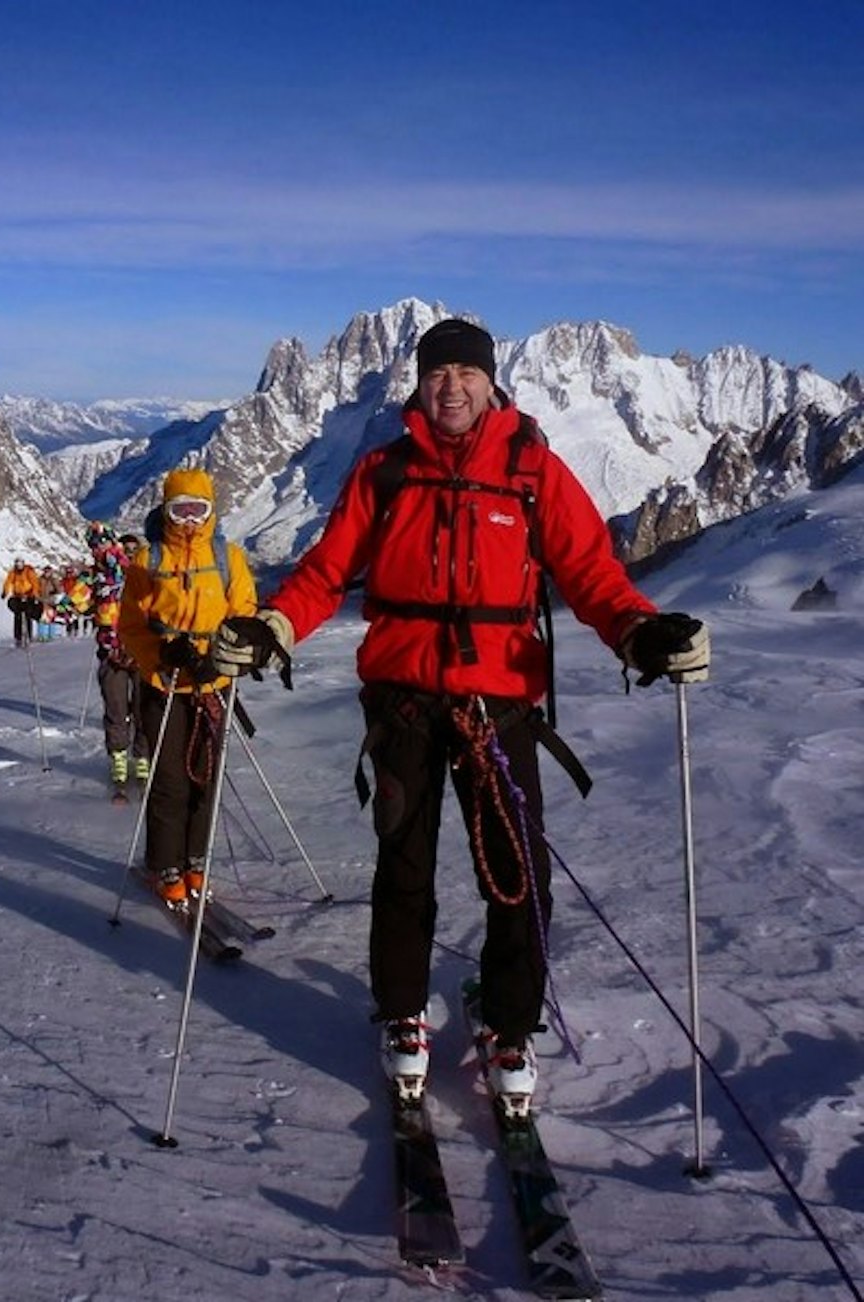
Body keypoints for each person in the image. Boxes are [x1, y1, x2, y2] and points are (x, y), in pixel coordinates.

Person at [213, 317, 710, 1109]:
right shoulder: (385, 471)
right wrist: (272, 626)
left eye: (465, 373)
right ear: (418, 383)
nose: (451, 386)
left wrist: (638, 632)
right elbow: (326, 569)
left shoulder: (532, 472)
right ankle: (403, 1013)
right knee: (404, 863)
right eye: (436, 372)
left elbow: (589, 571)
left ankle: (511, 1024)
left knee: (517, 873)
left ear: (490, 382)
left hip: (501, 700)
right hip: (404, 698)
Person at [119, 468, 257, 910]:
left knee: (206, 778)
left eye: (200, 510)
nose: (191, 520)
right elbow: (131, 626)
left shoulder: (228, 557)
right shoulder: (149, 560)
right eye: (182, 510)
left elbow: (244, 612)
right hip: (166, 682)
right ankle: (166, 866)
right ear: (167, 510)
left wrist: (223, 652)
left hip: (211, 682)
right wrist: (162, 654)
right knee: (171, 781)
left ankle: (197, 858)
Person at [86, 523, 150, 794]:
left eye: (104, 542)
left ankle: (143, 760)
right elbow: (75, 603)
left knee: (144, 711)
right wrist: (40, 608)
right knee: (116, 711)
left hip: (143, 653)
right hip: (111, 655)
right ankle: (120, 762)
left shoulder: (141, 574)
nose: (99, 547)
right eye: (94, 544)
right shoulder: (94, 577)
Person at [0, 558, 42, 647]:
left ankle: (28, 637)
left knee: (28, 615)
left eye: (20, 563)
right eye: (17, 563)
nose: (18, 565)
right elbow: (8, 582)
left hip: (28, 596)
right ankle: (18, 638)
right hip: (17, 596)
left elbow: (35, 583)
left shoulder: (29, 572)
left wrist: (35, 595)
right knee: (17, 616)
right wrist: (5, 592)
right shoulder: (13, 572)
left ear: (23, 564)